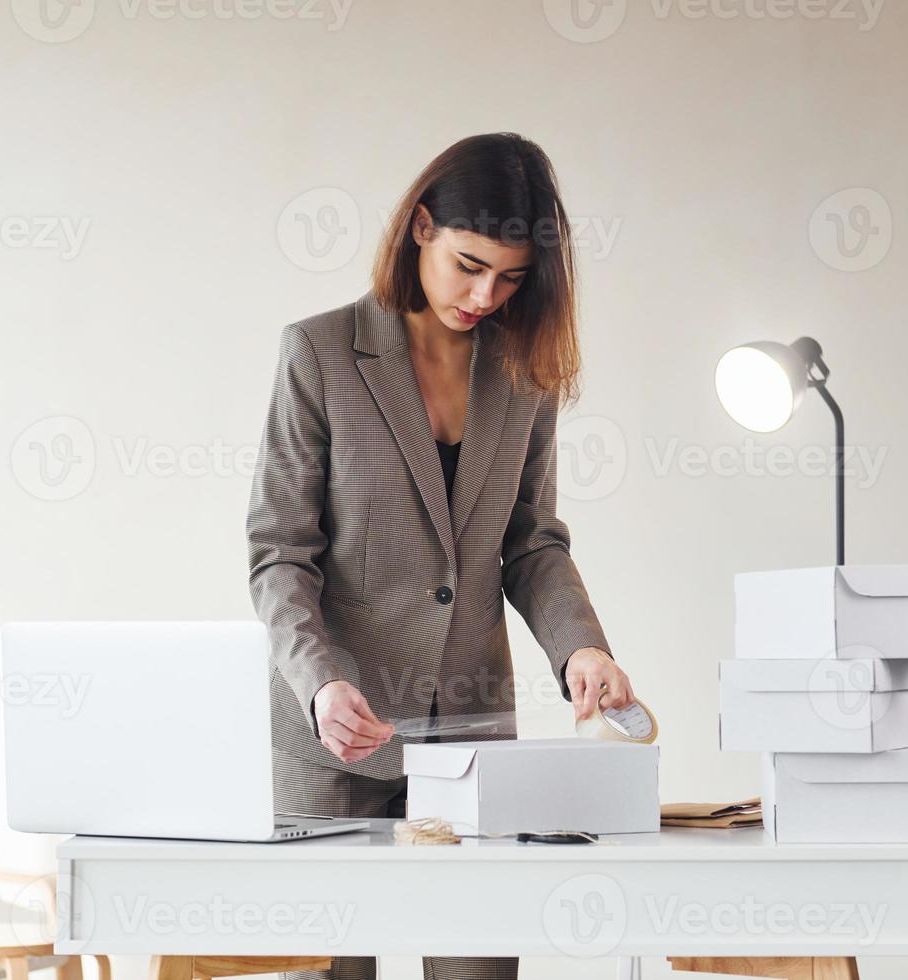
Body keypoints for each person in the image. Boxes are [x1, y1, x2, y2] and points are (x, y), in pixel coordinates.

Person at [246, 132, 635, 980]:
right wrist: (319, 681)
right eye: (468, 265)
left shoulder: (524, 370)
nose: (485, 295)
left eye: (510, 278)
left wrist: (584, 648)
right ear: (419, 228)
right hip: (332, 741)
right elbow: (279, 555)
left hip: (472, 738)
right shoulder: (317, 352)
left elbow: (532, 539)